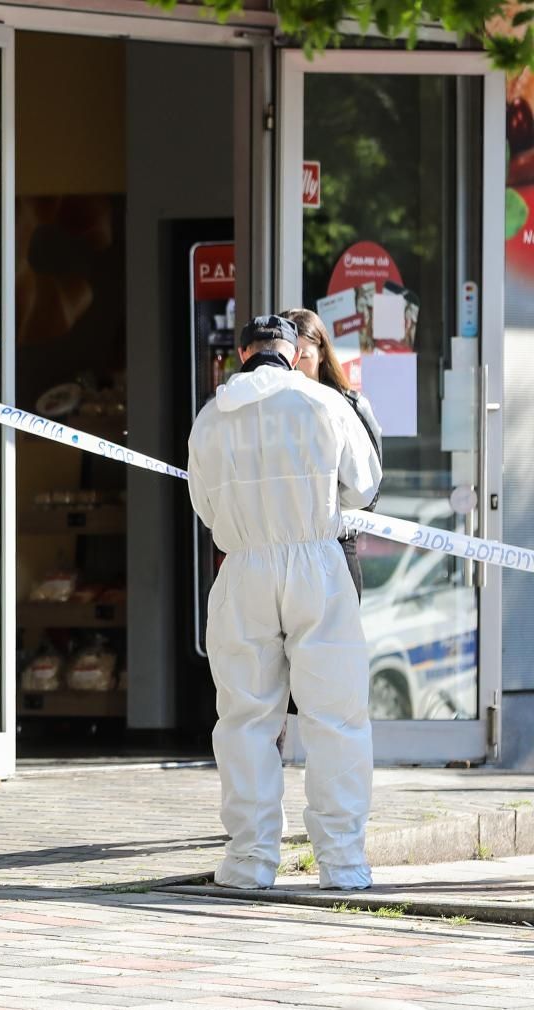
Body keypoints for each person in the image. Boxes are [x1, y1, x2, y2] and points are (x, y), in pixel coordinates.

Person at [188, 315, 383, 892]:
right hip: (317, 561)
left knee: (245, 718)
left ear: (242, 352)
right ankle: (343, 862)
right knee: (336, 716)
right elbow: (364, 486)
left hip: (244, 566)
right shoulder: (323, 402)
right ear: (294, 351)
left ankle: (249, 860)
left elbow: (203, 504)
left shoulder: (210, 417)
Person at [281, 307, 383, 598]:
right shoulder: (268, 413)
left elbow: (370, 491)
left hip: (336, 547)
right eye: (288, 358)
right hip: (280, 554)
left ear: (322, 353)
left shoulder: (350, 406)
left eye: (305, 356)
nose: (295, 366)